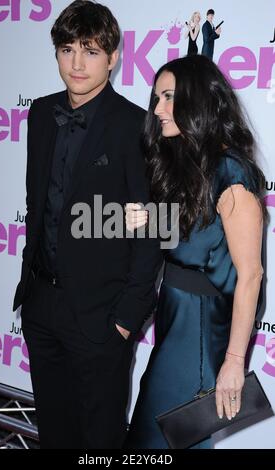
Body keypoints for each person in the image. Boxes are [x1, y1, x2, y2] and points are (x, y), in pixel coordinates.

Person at [13, 0, 162, 449]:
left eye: (91, 51)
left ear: (114, 57)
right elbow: (37, 202)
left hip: (101, 318)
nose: (76, 63)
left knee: (100, 440)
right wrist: (31, 295)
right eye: (67, 49)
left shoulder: (137, 126)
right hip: (41, 306)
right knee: (55, 433)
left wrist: (125, 320)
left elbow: (151, 230)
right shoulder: (40, 113)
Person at [124, 54, 266, 449]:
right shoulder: (192, 164)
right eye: (157, 98)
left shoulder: (232, 175)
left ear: (199, 100)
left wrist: (234, 362)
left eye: (169, 97)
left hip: (198, 335)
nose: (157, 109)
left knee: (160, 442)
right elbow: (199, 237)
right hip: (174, 324)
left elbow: (250, 275)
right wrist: (151, 220)